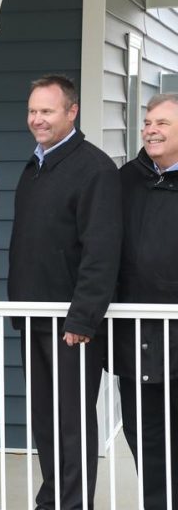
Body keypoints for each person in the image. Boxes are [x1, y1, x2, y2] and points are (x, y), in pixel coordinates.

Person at [8, 75, 122, 509]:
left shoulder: (94, 169)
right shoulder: (35, 166)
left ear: (72, 112)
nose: (37, 119)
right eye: (32, 111)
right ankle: (53, 498)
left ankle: (73, 504)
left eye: (47, 111)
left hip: (71, 325)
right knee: (46, 420)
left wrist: (83, 317)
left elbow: (101, 250)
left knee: (72, 422)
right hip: (33, 317)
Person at [114, 92, 178, 510]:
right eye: (147, 123)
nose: (150, 130)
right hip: (135, 340)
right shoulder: (125, 180)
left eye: (162, 123)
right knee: (144, 437)